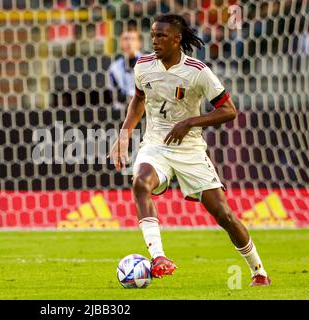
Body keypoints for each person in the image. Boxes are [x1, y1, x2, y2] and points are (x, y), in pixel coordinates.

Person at [110, 14, 270, 286]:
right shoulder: (143, 66)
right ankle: (158, 257)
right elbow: (138, 100)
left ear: (176, 39)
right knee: (140, 183)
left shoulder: (198, 71)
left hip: (190, 150)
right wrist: (125, 133)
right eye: (153, 35)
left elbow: (229, 111)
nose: (155, 40)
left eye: (161, 36)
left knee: (224, 215)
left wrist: (191, 121)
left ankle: (259, 271)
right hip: (156, 145)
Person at [107, 28, 143, 110]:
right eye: (125, 39)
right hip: (122, 113)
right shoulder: (114, 67)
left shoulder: (149, 64)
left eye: (133, 39)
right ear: (120, 43)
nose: (129, 43)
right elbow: (114, 94)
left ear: (139, 43)